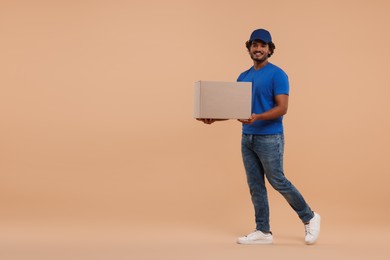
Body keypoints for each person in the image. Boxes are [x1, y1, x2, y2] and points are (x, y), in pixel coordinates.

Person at [197, 28, 320, 245]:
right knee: (255, 185)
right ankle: (263, 230)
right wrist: (214, 118)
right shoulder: (243, 76)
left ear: (270, 49)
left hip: (270, 137)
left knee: (278, 181)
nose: (258, 49)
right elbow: (236, 109)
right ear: (249, 48)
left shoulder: (278, 74)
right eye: (254, 45)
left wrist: (258, 117)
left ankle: (309, 216)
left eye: (263, 45)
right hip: (248, 138)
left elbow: (283, 108)